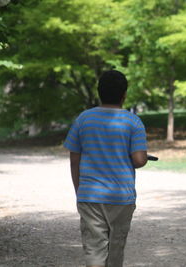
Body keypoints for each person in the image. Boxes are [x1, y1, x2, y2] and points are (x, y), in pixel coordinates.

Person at [63, 70, 148, 267]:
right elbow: (139, 160)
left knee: (94, 248)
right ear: (124, 95)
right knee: (116, 247)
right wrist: (140, 155)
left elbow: (74, 160)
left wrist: (79, 190)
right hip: (121, 197)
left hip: (90, 195)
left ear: (99, 92)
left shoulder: (83, 119)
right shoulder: (132, 121)